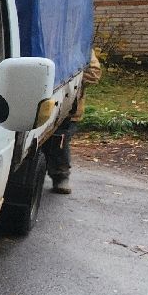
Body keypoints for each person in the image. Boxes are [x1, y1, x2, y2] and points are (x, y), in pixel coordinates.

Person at [43, 48, 102, 195]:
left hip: (69, 106)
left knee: (59, 143)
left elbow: (94, 74)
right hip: (45, 102)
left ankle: (61, 176)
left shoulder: (81, 46)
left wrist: (70, 75)